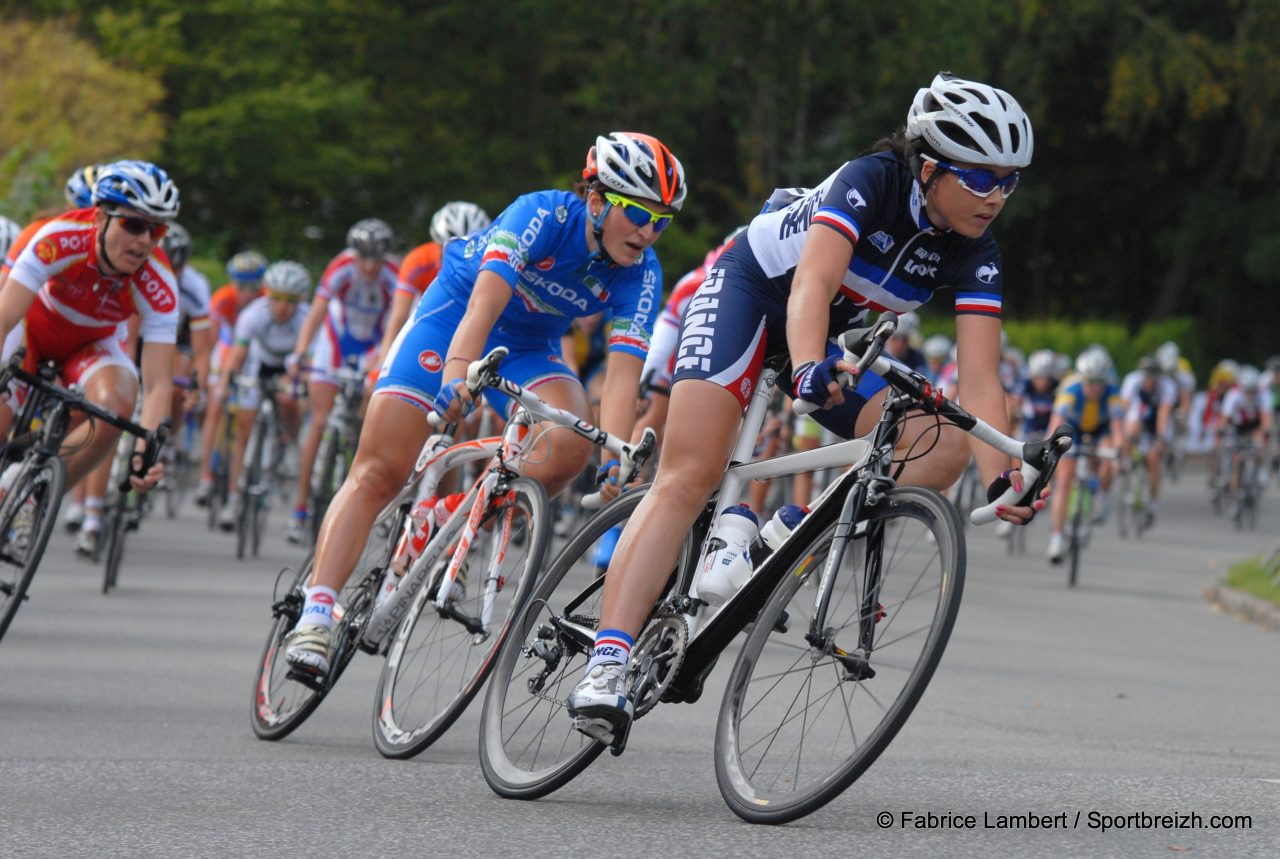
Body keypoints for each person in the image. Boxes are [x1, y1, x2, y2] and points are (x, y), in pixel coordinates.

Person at [563, 73, 1040, 741]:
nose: (997, 197)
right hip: (753, 297)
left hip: (817, 340)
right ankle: (605, 666)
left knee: (942, 445)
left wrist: (1005, 473)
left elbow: (982, 381)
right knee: (692, 473)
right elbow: (812, 280)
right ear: (929, 166)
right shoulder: (871, 179)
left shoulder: (975, 248)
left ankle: (788, 530)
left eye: (1009, 181)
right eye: (982, 178)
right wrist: (811, 365)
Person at [280, 131, 683, 677]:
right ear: (595, 199)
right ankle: (318, 611)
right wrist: (456, 377)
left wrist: (616, 452)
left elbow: (620, 377)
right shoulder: (540, 215)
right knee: (380, 469)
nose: (648, 231)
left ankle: (474, 510)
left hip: (529, 346)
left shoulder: (644, 271)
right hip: (454, 317)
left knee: (571, 442)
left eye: (662, 220)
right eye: (638, 212)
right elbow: (483, 303)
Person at [0, 161, 178, 518]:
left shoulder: (159, 281)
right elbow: (5, 317)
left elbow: (158, 384)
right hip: (33, 331)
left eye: (156, 231)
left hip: (90, 348)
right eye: (133, 224)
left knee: (119, 406)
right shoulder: (58, 237)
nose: (144, 240)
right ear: (99, 218)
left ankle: (31, 500)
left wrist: (147, 450)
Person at [284, 218, 398, 544]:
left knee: (369, 415)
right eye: (364, 258)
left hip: (372, 346)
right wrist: (299, 352)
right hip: (335, 341)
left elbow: (397, 322)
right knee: (320, 421)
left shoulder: (392, 275)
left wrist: (381, 363)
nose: (369, 266)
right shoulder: (341, 267)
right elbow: (318, 312)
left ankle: (359, 477)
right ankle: (301, 508)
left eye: (376, 259)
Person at [213, 261, 310, 530]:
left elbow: (309, 361)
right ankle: (233, 500)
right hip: (258, 364)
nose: (282, 306)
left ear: (299, 301)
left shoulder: (306, 318)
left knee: (291, 399)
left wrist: (297, 382)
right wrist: (226, 381)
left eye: (290, 301)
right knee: (243, 433)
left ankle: (289, 440)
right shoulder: (253, 315)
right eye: (276, 298)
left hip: (288, 366)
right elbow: (238, 353)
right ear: (267, 295)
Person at [373, 202, 491, 374]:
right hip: (433, 320)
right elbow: (399, 317)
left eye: (468, 251)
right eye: (449, 251)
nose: (458, 258)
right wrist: (381, 365)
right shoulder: (418, 261)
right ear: (437, 245)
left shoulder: (493, 262)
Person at [195, 251, 268, 504]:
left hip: (253, 350)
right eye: (241, 286)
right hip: (227, 346)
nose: (247, 292)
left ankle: (237, 483)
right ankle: (205, 477)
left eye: (253, 287)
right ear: (232, 282)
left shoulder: (267, 301)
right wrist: (212, 377)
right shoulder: (222, 298)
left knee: (246, 419)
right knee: (215, 407)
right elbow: (212, 339)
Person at [1044, 348, 1125, 563]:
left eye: (1099, 382)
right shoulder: (1070, 388)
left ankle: (1101, 495)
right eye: (1089, 382)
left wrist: (1117, 454)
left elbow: (1117, 430)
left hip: (1100, 429)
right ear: (1082, 378)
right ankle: (1057, 537)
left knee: (1109, 456)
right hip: (1074, 429)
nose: (1094, 388)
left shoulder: (1112, 393)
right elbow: (1056, 423)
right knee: (1064, 479)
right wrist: (1053, 447)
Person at [1119, 355, 1176, 523]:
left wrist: (1160, 438)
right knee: (1130, 430)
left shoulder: (1167, 386)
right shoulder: (1133, 381)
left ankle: (1153, 501)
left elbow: (1164, 414)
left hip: (1156, 420)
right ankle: (1127, 463)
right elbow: (1125, 407)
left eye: (1153, 376)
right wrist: (1123, 434)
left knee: (1153, 459)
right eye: (1146, 376)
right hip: (1139, 414)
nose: (1149, 381)